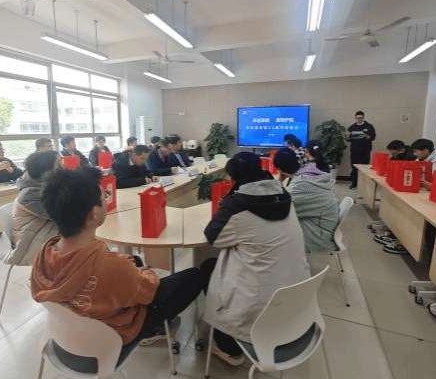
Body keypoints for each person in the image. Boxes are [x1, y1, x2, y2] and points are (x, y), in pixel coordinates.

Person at [30, 167, 204, 356]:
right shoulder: (113, 266)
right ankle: (153, 330)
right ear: (94, 213)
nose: (107, 200)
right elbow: (148, 291)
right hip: (116, 330)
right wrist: (146, 272)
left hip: (74, 329)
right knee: (194, 276)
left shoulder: (44, 254)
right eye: (104, 197)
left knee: (135, 260)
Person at [200, 152, 310, 366]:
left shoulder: (237, 205)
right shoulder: (283, 194)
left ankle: (229, 348)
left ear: (233, 179)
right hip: (295, 297)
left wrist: (225, 205)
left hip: (260, 304)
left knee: (209, 268)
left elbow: (213, 237)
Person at [273, 142, 339, 252]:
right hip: (322, 231)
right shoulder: (309, 177)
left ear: (279, 170)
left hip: (316, 240)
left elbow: (277, 210)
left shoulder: (301, 185)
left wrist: (279, 181)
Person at [6, 151, 61, 265]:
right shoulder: (30, 194)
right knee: (83, 238)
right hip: (32, 240)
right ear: (45, 169)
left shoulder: (46, 183)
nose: (61, 167)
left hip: (46, 229)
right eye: (57, 164)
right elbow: (61, 214)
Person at [345, 111, 376, 190]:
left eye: (360, 118)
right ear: (355, 118)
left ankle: (364, 185)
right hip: (354, 151)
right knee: (354, 167)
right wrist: (347, 136)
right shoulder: (352, 127)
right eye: (357, 118)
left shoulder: (369, 126)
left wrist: (367, 135)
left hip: (365, 151)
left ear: (363, 117)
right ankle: (354, 184)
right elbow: (348, 139)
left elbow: (373, 137)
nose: (359, 119)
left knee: (365, 167)